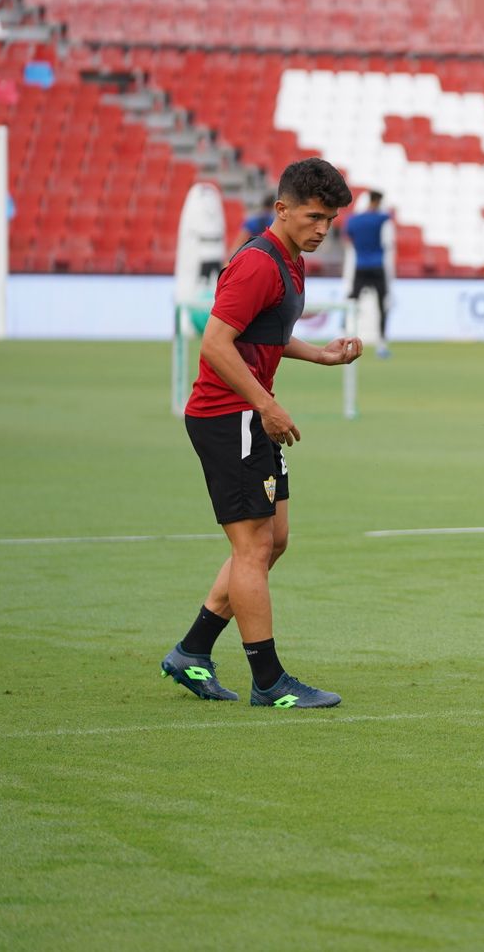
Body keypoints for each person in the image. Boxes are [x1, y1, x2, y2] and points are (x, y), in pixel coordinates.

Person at [163, 157, 361, 710]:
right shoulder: (257, 263)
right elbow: (215, 343)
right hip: (229, 416)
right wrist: (266, 404)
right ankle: (269, 682)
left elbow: (266, 332)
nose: (322, 229)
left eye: (330, 220)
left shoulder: (291, 261)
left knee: (274, 541)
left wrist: (319, 355)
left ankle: (192, 651)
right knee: (252, 548)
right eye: (314, 217)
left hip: (249, 415)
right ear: (282, 209)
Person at [345, 190, 395, 359]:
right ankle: (381, 343)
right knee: (382, 305)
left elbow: (348, 237)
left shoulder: (354, 220)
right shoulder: (381, 218)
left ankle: (345, 335)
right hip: (377, 266)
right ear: (378, 202)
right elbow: (391, 218)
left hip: (360, 266)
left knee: (353, 301)